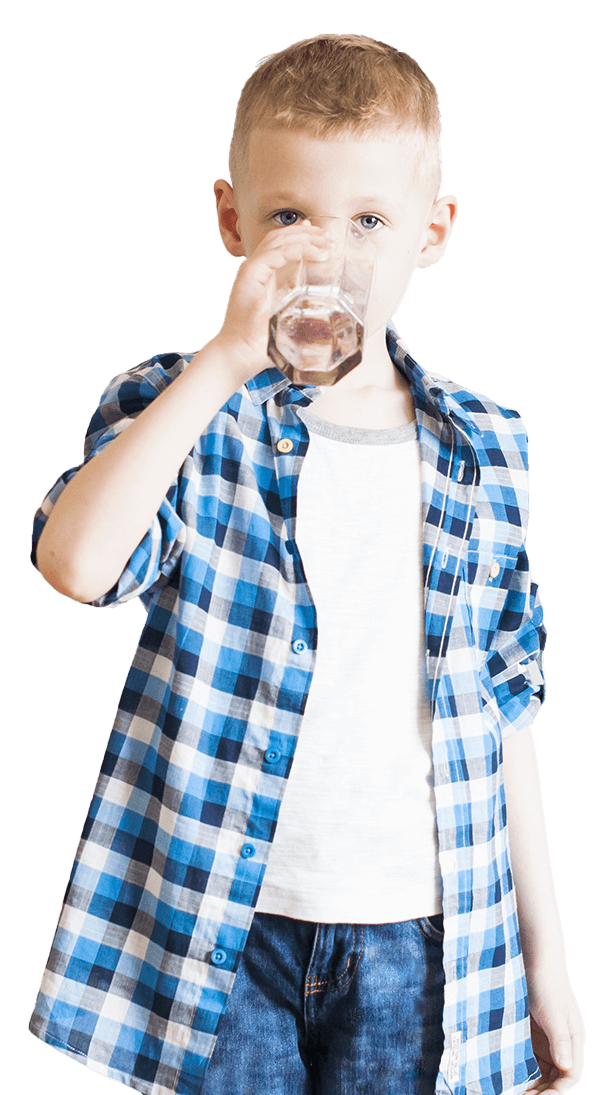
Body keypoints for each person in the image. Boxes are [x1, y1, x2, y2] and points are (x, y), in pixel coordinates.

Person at [29, 32, 584, 1095]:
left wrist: (545, 968)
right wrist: (229, 357)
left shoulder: (485, 446)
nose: (326, 252)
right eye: (289, 217)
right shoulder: (177, 408)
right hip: (212, 935)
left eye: (368, 222)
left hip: (425, 941)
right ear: (232, 221)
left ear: (432, 233)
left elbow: (504, 714)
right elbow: (77, 566)